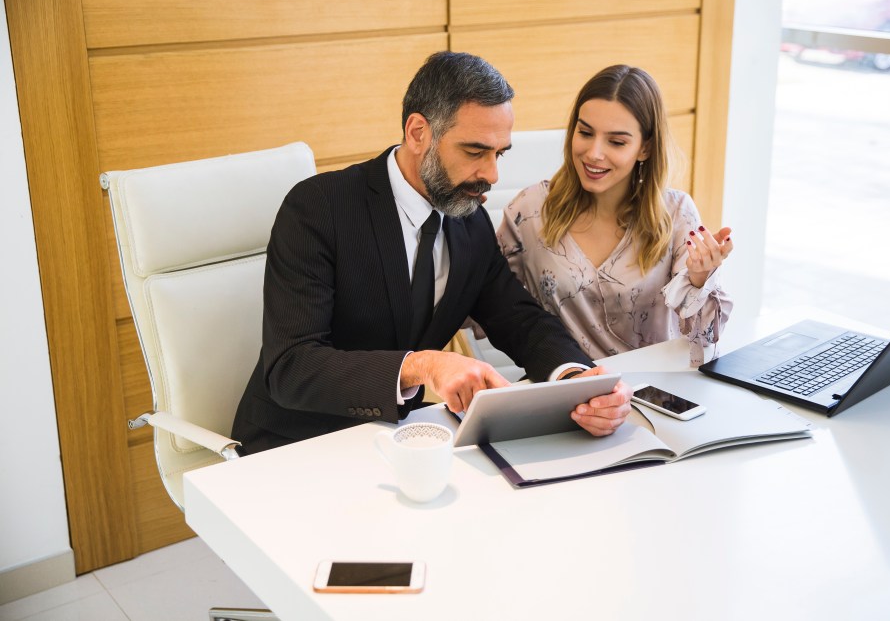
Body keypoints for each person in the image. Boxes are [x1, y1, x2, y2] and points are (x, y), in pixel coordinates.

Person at [232, 52, 632, 454]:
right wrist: (423, 365)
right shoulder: (320, 208)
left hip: (400, 440)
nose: (492, 175)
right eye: (475, 152)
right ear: (418, 132)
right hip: (294, 446)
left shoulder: (468, 220)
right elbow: (291, 367)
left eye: (500, 153)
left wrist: (574, 379)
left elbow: (519, 319)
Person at [497, 65, 733, 366]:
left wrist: (700, 280)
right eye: (585, 133)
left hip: (657, 394)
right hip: (565, 391)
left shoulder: (675, 214)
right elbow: (488, 303)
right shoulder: (530, 210)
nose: (594, 153)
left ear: (645, 148)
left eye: (616, 142)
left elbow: (705, 340)